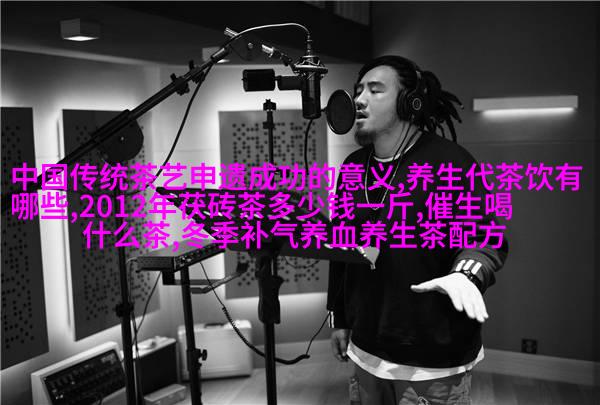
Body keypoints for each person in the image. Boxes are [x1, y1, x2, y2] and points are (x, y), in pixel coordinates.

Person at [327, 55, 509, 405]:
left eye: (375, 90)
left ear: (410, 102)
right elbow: (342, 247)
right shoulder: (353, 167)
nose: (359, 100)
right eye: (358, 90)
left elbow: (485, 238)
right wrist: (339, 317)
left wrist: (466, 274)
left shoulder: (451, 162)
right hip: (366, 348)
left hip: (432, 358)